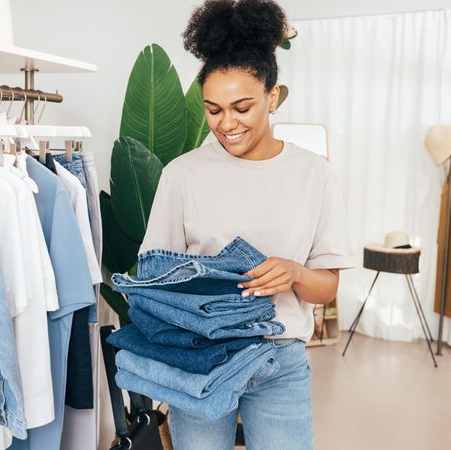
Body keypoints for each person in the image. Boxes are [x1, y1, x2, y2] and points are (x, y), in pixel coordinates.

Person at [139, 0, 355, 449]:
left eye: (242, 107)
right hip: (203, 356)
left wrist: (294, 273)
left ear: (272, 96)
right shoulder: (182, 174)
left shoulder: (314, 174)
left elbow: (327, 287)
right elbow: (155, 283)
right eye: (213, 110)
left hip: (281, 361)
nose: (227, 124)